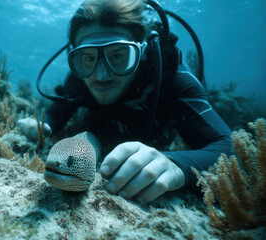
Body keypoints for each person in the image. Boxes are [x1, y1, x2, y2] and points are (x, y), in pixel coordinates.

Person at [18, 0, 232, 203]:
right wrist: (44, 126)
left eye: (118, 55)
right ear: (76, 56)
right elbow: (56, 114)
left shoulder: (173, 79)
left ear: (143, 50)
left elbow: (232, 150)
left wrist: (178, 166)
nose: (101, 75)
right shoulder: (80, 76)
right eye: (89, 57)